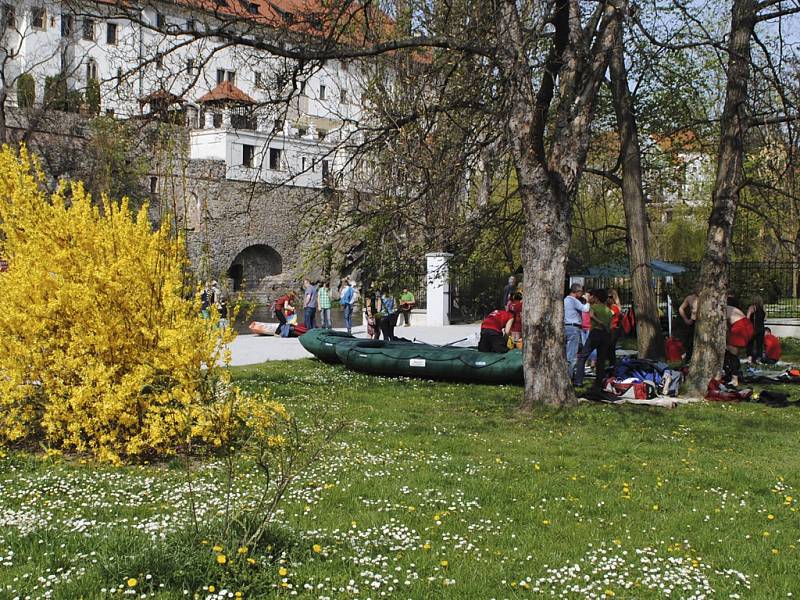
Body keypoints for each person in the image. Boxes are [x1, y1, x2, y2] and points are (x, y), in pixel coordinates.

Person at [573, 289, 612, 388]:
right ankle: (599, 382)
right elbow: (610, 325)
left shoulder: (594, 307)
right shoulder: (608, 310)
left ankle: (578, 381)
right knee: (601, 359)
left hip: (595, 333)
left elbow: (590, 315)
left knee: (582, 357)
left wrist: (599, 322)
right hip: (605, 335)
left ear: (597, 298)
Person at [564, 283, 591, 378]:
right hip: (573, 328)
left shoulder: (565, 300)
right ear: (577, 292)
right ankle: (569, 376)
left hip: (565, 327)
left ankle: (566, 373)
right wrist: (587, 300)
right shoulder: (573, 300)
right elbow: (585, 309)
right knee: (571, 354)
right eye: (581, 292)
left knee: (566, 352)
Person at [725, 303, 754, 387]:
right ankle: (733, 375)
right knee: (733, 353)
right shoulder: (730, 308)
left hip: (740, 326)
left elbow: (725, 329)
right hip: (746, 325)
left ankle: (734, 379)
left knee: (732, 354)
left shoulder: (719, 309)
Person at [679, 291, 699, 361]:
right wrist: (685, 319)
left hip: (704, 323)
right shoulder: (690, 298)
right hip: (693, 322)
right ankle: (688, 361)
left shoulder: (707, 297)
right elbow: (681, 308)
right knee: (690, 343)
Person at [746, 295, 766, 364]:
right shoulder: (763, 308)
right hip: (761, 328)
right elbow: (765, 318)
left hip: (752, 329)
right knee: (759, 345)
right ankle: (758, 359)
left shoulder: (752, 307)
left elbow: (747, 318)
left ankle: (749, 358)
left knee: (750, 344)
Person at [607, 288, 622, 366]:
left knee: (611, 349)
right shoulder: (610, 307)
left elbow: (609, 316)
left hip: (613, 330)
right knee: (610, 349)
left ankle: (612, 366)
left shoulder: (614, 307)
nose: (608, 299)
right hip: (610, 330)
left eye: (610, 297)